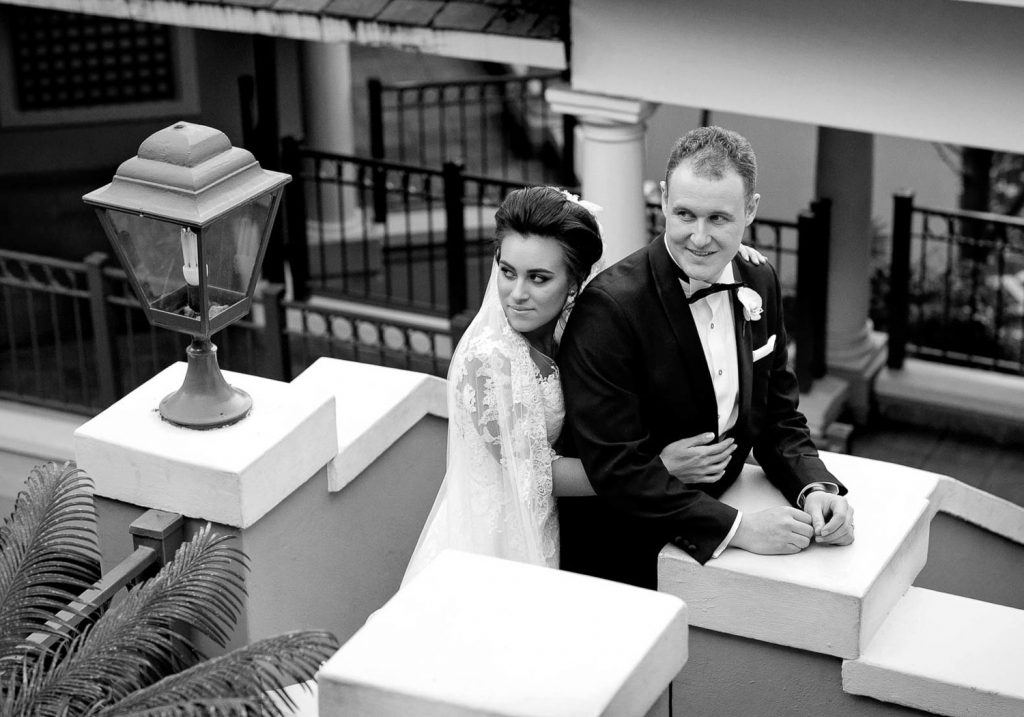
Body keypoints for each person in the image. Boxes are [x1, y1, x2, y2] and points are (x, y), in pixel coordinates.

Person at [402, 184, 770, 585]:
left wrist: (725, 257)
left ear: (575, 282)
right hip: (500, 538)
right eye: (507, 272)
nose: (517, 294)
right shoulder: (488, 360)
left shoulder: (571, 323)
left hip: (566, 529)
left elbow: (643, 282)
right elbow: (537, 474)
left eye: (538, 278)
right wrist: (657, 467)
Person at [557, 126, 855, 589]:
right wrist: (738, 528)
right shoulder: (609, 310)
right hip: (623, 549)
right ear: (661, 200)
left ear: (751, 209)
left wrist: (813, 486)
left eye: (718, 219)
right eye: (684, 215)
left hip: (721, 505)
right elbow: (616, 468)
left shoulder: (760, 280)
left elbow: (778, 414)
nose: (699, 238)